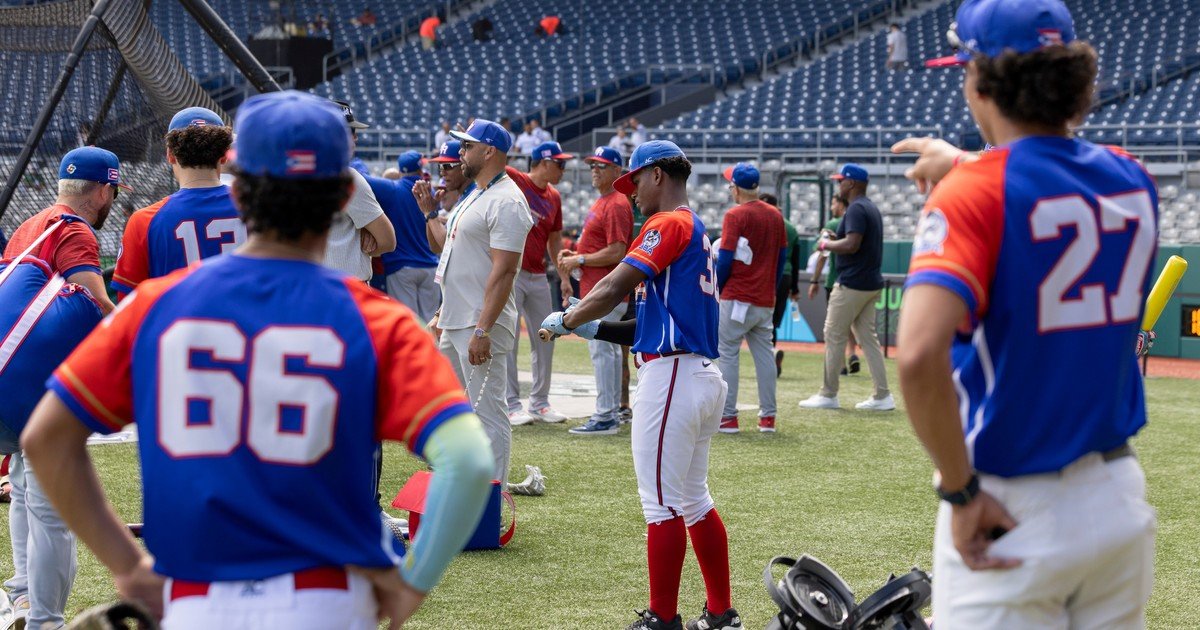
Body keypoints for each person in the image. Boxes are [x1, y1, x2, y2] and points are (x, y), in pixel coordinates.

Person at [20, 91, 495, 630]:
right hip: (329, 601)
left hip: (196, 600)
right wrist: (413, 581)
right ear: (342, 193)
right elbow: (470, 462)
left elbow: (45, 439)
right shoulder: (378, 321)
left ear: (238, 186)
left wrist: (128, 568)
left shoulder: (158, 306)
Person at [898, 0, 1158, 625]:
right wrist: (966, 163)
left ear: (981, 79)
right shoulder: (1132, 180)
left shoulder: (973, 194)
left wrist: (960, 491)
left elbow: (917, 354)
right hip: (1118, 500)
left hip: (1012, 504)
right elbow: (1059, 178)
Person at [540, 141, 739, 630]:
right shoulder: (694, 228)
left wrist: (569, 316)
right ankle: (719, 614)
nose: (630, 194)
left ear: (656, 175)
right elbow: (648, 320)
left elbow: (612, 287)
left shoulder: (668, 222)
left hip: (672, 376)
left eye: (634, 182)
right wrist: (593, 327)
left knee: (663, 504)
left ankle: (662, 619)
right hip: (693, 373)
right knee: (693, 500)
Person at [0, 146, 128, 630]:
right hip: (33, 390)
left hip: (10, 381)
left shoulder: (28, 225)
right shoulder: (74, 231)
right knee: (53, 510)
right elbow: (95, 303)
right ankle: (46, 622)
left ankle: (25, 597)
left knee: (26, 492)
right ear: (103, 190)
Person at [432, 119, 534, 488]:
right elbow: (458, 257)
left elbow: (504, 270)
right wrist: (444, 310)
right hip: (459, 317)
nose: (460, 152)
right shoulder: (477, 192)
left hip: (480, 322)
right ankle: (460, 488)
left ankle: (489, 501)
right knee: (456, 411)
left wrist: (482, 328)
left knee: (487, 412)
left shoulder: (507, 199)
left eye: (467, 146)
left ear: (489, 150)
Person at [112, 107, 242, 301]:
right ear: (224, 156)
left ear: (170, 155)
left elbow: (128, 301)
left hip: (175, 328)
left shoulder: (143, 221)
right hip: (250, 328)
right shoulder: (260, 211)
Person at [799, 164, 893, 411]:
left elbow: (851, 244)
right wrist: (833, 240)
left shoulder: (856, 209)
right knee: (868, 339)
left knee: (833, 333)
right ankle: (883, 395)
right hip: (870, 283)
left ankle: (828, 394)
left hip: (852, 283)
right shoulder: (870, 207)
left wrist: (824, 246)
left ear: (850, 183)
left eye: (841, 180)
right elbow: (854, 242)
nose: (838, 184)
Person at [557, 146, 633, 435]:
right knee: (609, 353)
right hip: (600, 287)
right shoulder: (604, 201)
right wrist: (575, 254)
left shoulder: (614, 203)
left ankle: (605, 416)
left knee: (602, 352)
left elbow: (617, 250)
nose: (595, 169)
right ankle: (611, 411)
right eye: (593, 165)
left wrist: (581, 259)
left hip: (606, 289)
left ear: (617, 171)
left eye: (602, 165)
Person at [714, 164, 787, 434]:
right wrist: (771, 288)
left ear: (736, 188)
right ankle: (768, 418)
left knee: (728, 355)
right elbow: (781, 259)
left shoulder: (735, 215)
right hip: (764, 298)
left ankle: (728, 417)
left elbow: (725, 260)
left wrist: (716, 290)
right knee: (765, 357)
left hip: (737, 297)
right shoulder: (775, 215)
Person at [503, 141, 572, 426]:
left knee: (547, 336)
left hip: (538, 274)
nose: (563, 170)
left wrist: (564, 277)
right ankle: (510, 403)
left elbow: (555, 240)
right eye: (560, 163)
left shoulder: (553, 196)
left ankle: (540, 402)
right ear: (543, 162)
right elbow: (490, 163)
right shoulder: (515, 179)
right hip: (512, 272)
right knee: (509, 339)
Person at [325, 100, 396, 281]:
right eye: (351, 132)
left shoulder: (290, 175)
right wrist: (363, 237)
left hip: (309, 291)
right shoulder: (347, 177)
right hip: (348, 291)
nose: (356, 138)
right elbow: (388, 241)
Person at [373, 150, 440, 323]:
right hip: (431, 266)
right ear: (419, 170)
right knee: (431, 324)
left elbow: (359, 177)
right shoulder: (429, 192)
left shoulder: (392, 189)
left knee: (408, 323)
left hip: (402, 267)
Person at [808, 194, 861, 375]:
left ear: (840, 204)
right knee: (851, 321)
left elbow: (822, 254)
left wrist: (814, 280)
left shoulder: (832, 225)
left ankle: (841, 364)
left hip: (835, 280)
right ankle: (853, 353)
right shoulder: (858, 223)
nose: (831, 207)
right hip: (855, 280)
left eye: (833, 203)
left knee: (836, 326)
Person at [760, 192, 800, 377]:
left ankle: (769, 356)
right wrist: (796, 288)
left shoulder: (764, 223)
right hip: (786, 277)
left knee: (760, 321)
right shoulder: (791, 228)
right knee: (773, 322)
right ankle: (772, 354)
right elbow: (796, 258)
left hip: (766, 275)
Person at [418, 140, 470, 256]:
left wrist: (430, 213)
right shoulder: (462, 198)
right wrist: (430, 213)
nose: (443, 173)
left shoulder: (475, 196)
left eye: (447, 166)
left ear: (464, 164)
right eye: (440, 167)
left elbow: (447, 246)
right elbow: (435, 247)